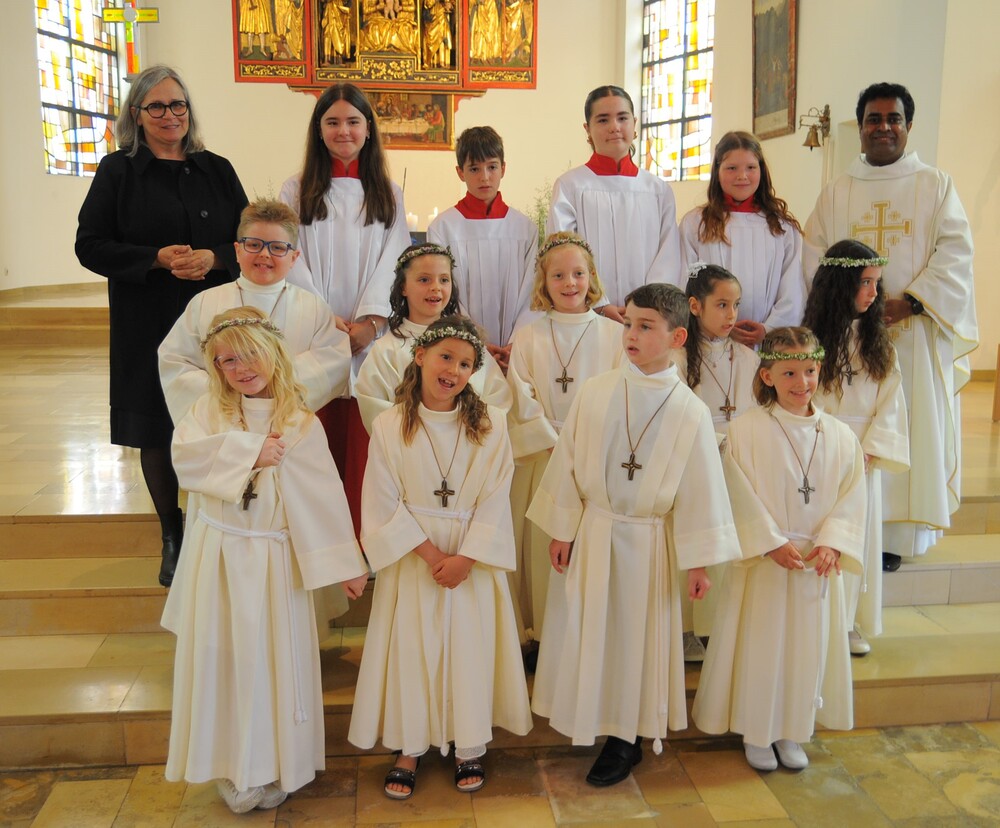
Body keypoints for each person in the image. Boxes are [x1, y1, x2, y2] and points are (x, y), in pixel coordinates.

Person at [527, 283, 739, 787]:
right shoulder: (597, 391)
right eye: (627, 324)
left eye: (645, 327)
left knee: (634, 640)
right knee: (590, 629)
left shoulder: (689, 410)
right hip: (595, 531)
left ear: (677, 337)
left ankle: (628, 738)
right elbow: (569, 460)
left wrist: (699, 562)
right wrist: (563, 528)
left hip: (648, 543)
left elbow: (702, 489)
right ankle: (591, 714)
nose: (631, 335)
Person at [161, 307, 369, 813]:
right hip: (220, 556)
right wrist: (250, 454)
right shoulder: (206, 412)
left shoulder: (299, 422)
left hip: (274, 562)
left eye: (250, 354)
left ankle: (275, 762)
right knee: (225, 661)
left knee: (273, 663)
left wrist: (347, 563)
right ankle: (232, 766)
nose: (241, 368)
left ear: (274, 353)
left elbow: (321, 494)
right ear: (215, 367)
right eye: (227, 360)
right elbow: (185, 460)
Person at [76, 65, 248, 588]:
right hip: (146, 318)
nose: (170, 115)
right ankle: (172, 533)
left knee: (220, 416)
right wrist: (154, 258)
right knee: (156, 424)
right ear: (137, 114)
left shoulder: (217, 169)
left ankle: (216, 522)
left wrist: (214, 258)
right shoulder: (118, 171)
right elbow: (89, 245)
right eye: (157, 106)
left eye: (178, 105)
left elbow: (249, 239)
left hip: (213, 317)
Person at [348, 316, 532, 799]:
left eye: (465, 364)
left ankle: (469, 743)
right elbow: (382, 499)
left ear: (475, 372)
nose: (453, 370)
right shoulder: (390, 424)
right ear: (420, 356)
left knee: (468, 648)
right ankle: (409, 746)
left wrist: (466, 558)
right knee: (411, 648)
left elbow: (497, 495)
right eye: (445, 357)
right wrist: (432, 556)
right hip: (416, 558)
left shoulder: (491, 425)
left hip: (471, 558)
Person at [803, 82, 978, 567]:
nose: (883, 128)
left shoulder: (935, 185)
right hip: (849, 335)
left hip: (913, 333)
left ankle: (897, 537)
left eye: (893, 119)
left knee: (907, 429)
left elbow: (956, 252)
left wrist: (913, 302)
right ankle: (841, 527)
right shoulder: (838, 190)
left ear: (908, 125)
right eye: (874, 120)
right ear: (860, 128)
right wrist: (847, 306)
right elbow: (814, 253)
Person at [692, 327, 866, 773]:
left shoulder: (840, 435)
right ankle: (756, 731)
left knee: (804, 651)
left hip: (814, 564)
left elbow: (852, 495)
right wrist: (769, 542)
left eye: (809, 370)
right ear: (767, 375)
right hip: (766, 563)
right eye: (789, 372)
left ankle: (791, 729)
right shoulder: (745, 431)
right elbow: (735, 490)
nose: (801, 382)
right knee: (762, 647)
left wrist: (833, 542)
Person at [281, 82, 411, 535]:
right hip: (313, 333)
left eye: (353, 121)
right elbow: (290, 258)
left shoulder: (388, 192)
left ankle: (362, 538)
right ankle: (318, 541)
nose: (343, 131)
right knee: (316, 440)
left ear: (368, 129)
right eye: (332, 122)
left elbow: (395, 260)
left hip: (367, 339)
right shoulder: (297, 189)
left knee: (364, 443)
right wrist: (324, 321)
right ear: (318, 130)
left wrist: (371, 323)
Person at [505, 232, 624, 654]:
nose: (569, 283)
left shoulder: (615, 335)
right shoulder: (529, 336)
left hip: (594, 460)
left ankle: (587, 637)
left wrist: (582, 445)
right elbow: (519, 394)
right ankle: (541, 634)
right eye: (558, 275)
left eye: (578, 273)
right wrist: (553, 442)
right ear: (544, 281)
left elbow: (621, 393)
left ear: (592, 277)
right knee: (542, 548)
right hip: (543, 456)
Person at [804, 240, 908, 654]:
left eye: (876, 283)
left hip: (863, 459)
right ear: (839, 284)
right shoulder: (811, 340)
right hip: (818, 454)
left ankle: (847, 622)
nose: (872, 292)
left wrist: (869, 450)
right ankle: (814, 618)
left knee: (854, 539)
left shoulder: (879, 344)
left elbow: (891, 402)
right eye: (864, 282)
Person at [674, 262, 759, 661]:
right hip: (694, 467)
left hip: (737, 466)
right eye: (722, 305)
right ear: (695, 306)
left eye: (736, 305)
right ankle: (686, 628)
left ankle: (720, 627)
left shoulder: (748, 360)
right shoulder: (676, 359)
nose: (731, 315)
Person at [546, 85, 681, 321]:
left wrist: (648, 304)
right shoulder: (571, 186)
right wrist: (599, 303)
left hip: (649, 315)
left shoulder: (657, 190)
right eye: (603, 120)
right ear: (588, 129)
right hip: (587, 314)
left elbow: (668, 254)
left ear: (634, 124)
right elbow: (562, 253)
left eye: (622, 118)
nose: (614, 127)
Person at [355, 243, 511, 432]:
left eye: (444, 280)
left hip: (467, 444)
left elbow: (498, 399)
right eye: (424, 280)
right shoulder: (386, 350)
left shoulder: (468, 342)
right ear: (403, 287)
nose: (436, 287)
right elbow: (376, 413)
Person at [678, 131, 804, 347]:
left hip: (766, 342)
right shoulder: (696, 223)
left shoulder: (781, 227)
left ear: (761, 170)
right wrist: (719, 326)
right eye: (732, 168)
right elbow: (686, 281)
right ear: (717, 171)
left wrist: (769, 329)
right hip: (710, 341)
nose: (742, 176)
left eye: (751, 167)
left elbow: (792, 287)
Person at [428, 126, 537, 371]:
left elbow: (532, 292)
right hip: (461, 348)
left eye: (492, 167)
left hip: (514, 350)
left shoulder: (524, 228)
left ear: (503, 169)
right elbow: (444, 294)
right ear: (460, 172)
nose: (484, 177)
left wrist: (515, 342)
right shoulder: (444, 228)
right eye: (474, 169)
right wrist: (474, 341)